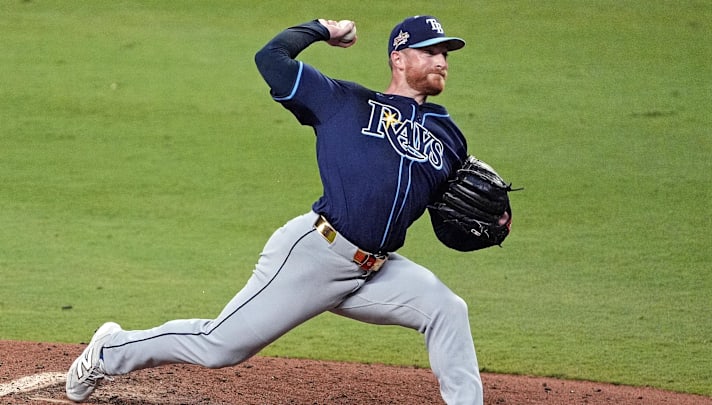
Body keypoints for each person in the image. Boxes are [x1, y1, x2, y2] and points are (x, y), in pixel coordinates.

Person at [66, 15, 485, 404]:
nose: (441, 61)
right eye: (430, 51)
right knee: (220, 346)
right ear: (398, 58)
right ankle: (108, 351)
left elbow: (448, 218)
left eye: (445, 54)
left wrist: (492, 223)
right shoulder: (346, 102)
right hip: (316, 254)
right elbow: (271, 60)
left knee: (447, 309)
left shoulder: (448, 136)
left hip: (376, 270)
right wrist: (322, 28)